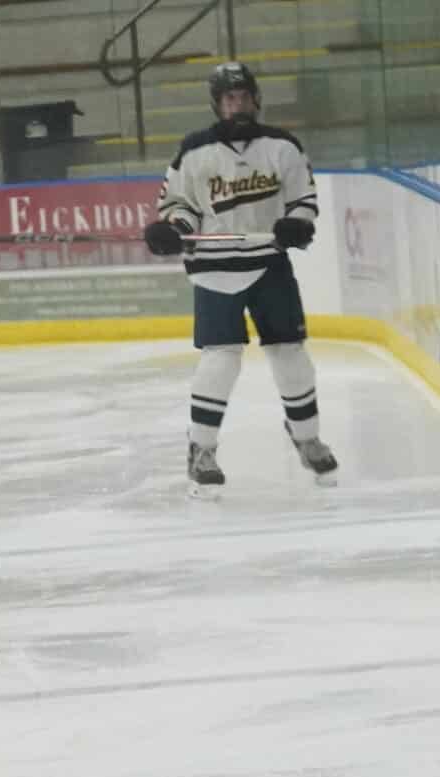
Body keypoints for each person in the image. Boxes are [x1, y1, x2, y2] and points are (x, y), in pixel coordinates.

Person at [144, 61, 334, 495]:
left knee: (289, 352)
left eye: (244, 96)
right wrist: (174, 229)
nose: (238, 105)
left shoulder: (282, 146)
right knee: (221, 359)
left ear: (256, 99)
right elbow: (179, 204)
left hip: (268, 263)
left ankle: (307, 437)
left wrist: (297, 223)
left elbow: (303, 197)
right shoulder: (195, 151)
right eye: (230, 99)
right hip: (215, 269)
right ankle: (202, 448)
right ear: (218, 104)